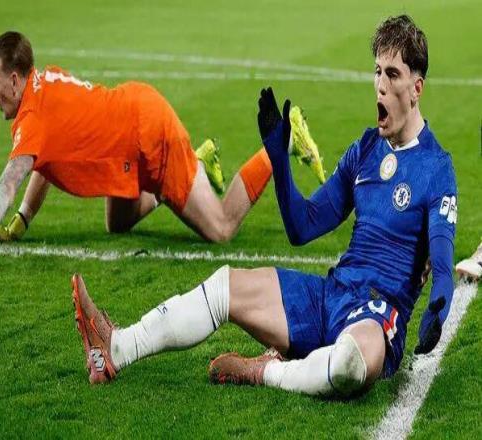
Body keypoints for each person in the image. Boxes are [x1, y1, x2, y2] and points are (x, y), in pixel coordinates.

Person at [73, 15, 456, 398]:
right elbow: (303, 226)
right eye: (377, 72)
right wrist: (279, 160)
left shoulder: (436, 168)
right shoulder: (366, 148)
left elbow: (442, 266)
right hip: (330, 296)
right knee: (224, 286)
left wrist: (437, 311)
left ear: (416, 88)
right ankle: (118, 346)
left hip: (376, 316)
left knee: (348, 364)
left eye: (393, 74)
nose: (381, 85)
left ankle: (265, 371)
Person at [0, 32, 325, 247]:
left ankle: (284, 138)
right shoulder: (44, 80)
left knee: (221, 228)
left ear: (14, 80)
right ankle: (195, 164)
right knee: (117, 224)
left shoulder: (34, 117)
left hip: (149, 134)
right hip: (129, 135)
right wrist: (22, 220)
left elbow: (8, 182)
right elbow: (43, 160)